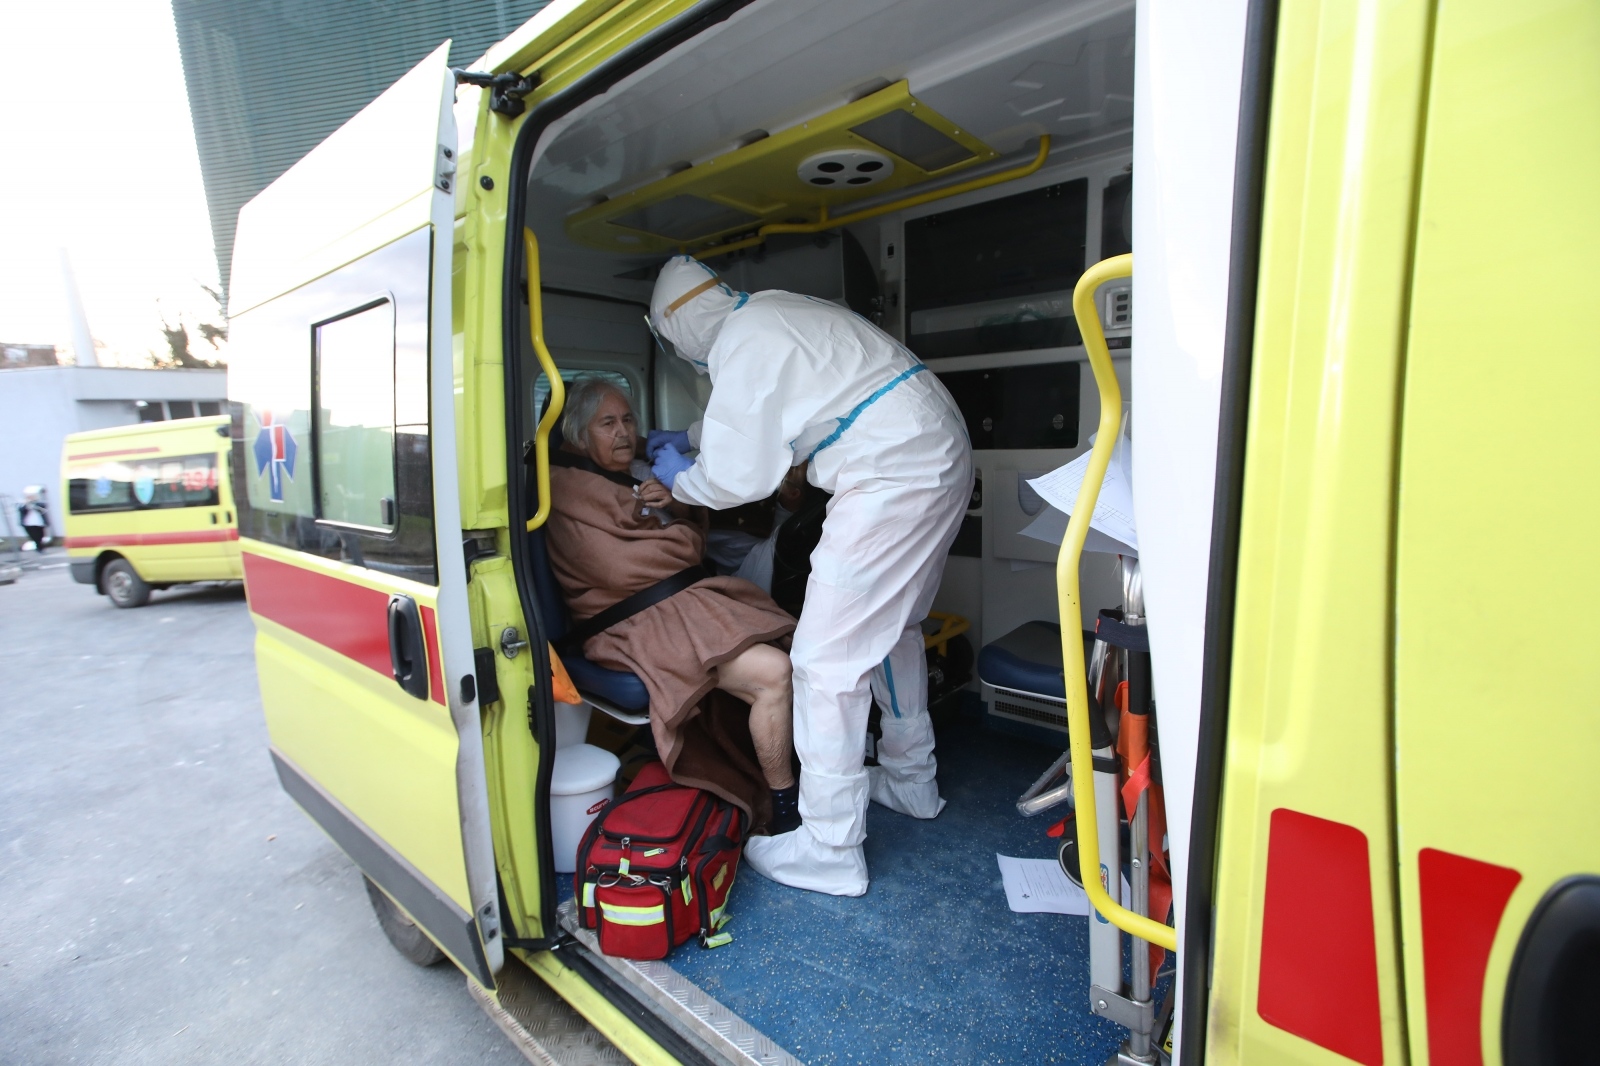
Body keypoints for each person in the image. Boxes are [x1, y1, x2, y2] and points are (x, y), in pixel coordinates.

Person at [647, 255, 973, 897]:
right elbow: (763, 408)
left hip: (892, 473)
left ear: (674, 328)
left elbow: (739, 477)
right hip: (938, 453)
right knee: (896, 632)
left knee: (825, 662)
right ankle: (910, 778)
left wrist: (679, 479)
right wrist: (689, 436)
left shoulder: (741, 343)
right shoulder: (769, 312)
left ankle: (829, 845)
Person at [544, 376, 801, 833]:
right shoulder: (565, 487)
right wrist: (680, 535)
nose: (624, 432)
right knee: (774, 673)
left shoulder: (625, 474)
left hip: (673, 603)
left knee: (798, 646)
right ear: (579, 435)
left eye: (628, 420)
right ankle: (783, 811)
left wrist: (677, 504)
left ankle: (796, 772)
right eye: (607, 423)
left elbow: (670, 550)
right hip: (628, 622)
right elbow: (623, 568)